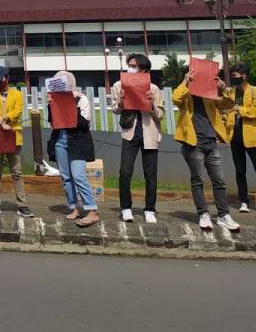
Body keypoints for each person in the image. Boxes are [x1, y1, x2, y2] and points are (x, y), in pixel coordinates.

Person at [172, 66, 240, 232]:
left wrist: (223, 88)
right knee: (198, 179)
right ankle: (203, 214)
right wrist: (186, 81)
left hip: (211, 141)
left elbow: (227, 104)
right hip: (193, 143)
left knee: (219, 180)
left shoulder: (210, 94)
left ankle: (224, 215)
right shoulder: (186, 94)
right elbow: (175, 98)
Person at [109, 54, 163, 223]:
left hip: (150, 133)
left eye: (134, 66)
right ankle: (126, 207)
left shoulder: (153, 88)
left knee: (150, 174)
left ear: (144, 69)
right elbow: (115, 109)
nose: (130, 68)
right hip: (129, 133)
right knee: (125, 171)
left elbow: (160, 114)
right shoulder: (119, 85)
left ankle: (150, 209)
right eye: (129, 65)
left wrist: (151, 104)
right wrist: (123, 102)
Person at [47, 71, 99, 227]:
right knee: (66, 177)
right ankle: (74, 207)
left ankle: (92, 210)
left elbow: (84, 123)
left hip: (77, 142)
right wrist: (52, 105)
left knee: (78, 175)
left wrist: (70, 105)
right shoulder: (54, 100)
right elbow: (52, 122)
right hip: (60, 141)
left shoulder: (81, 99)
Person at [0, 65, 33, 217]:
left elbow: (17, 110)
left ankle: (22, 204)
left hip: (12, 135)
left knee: (17, 172)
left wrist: (6, 118)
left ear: (7, 78)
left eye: (0, 80)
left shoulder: (17, 94)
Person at [227, 63, 256, 215]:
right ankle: (243, 201)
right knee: (240, 171)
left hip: (253, 136)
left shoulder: (255, 91)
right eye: (232, 76)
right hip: (235, 136)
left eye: (235, 76)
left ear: (244, 76)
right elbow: (224, 107)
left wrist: (239, 109)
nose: (233, 78)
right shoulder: (231, 92)